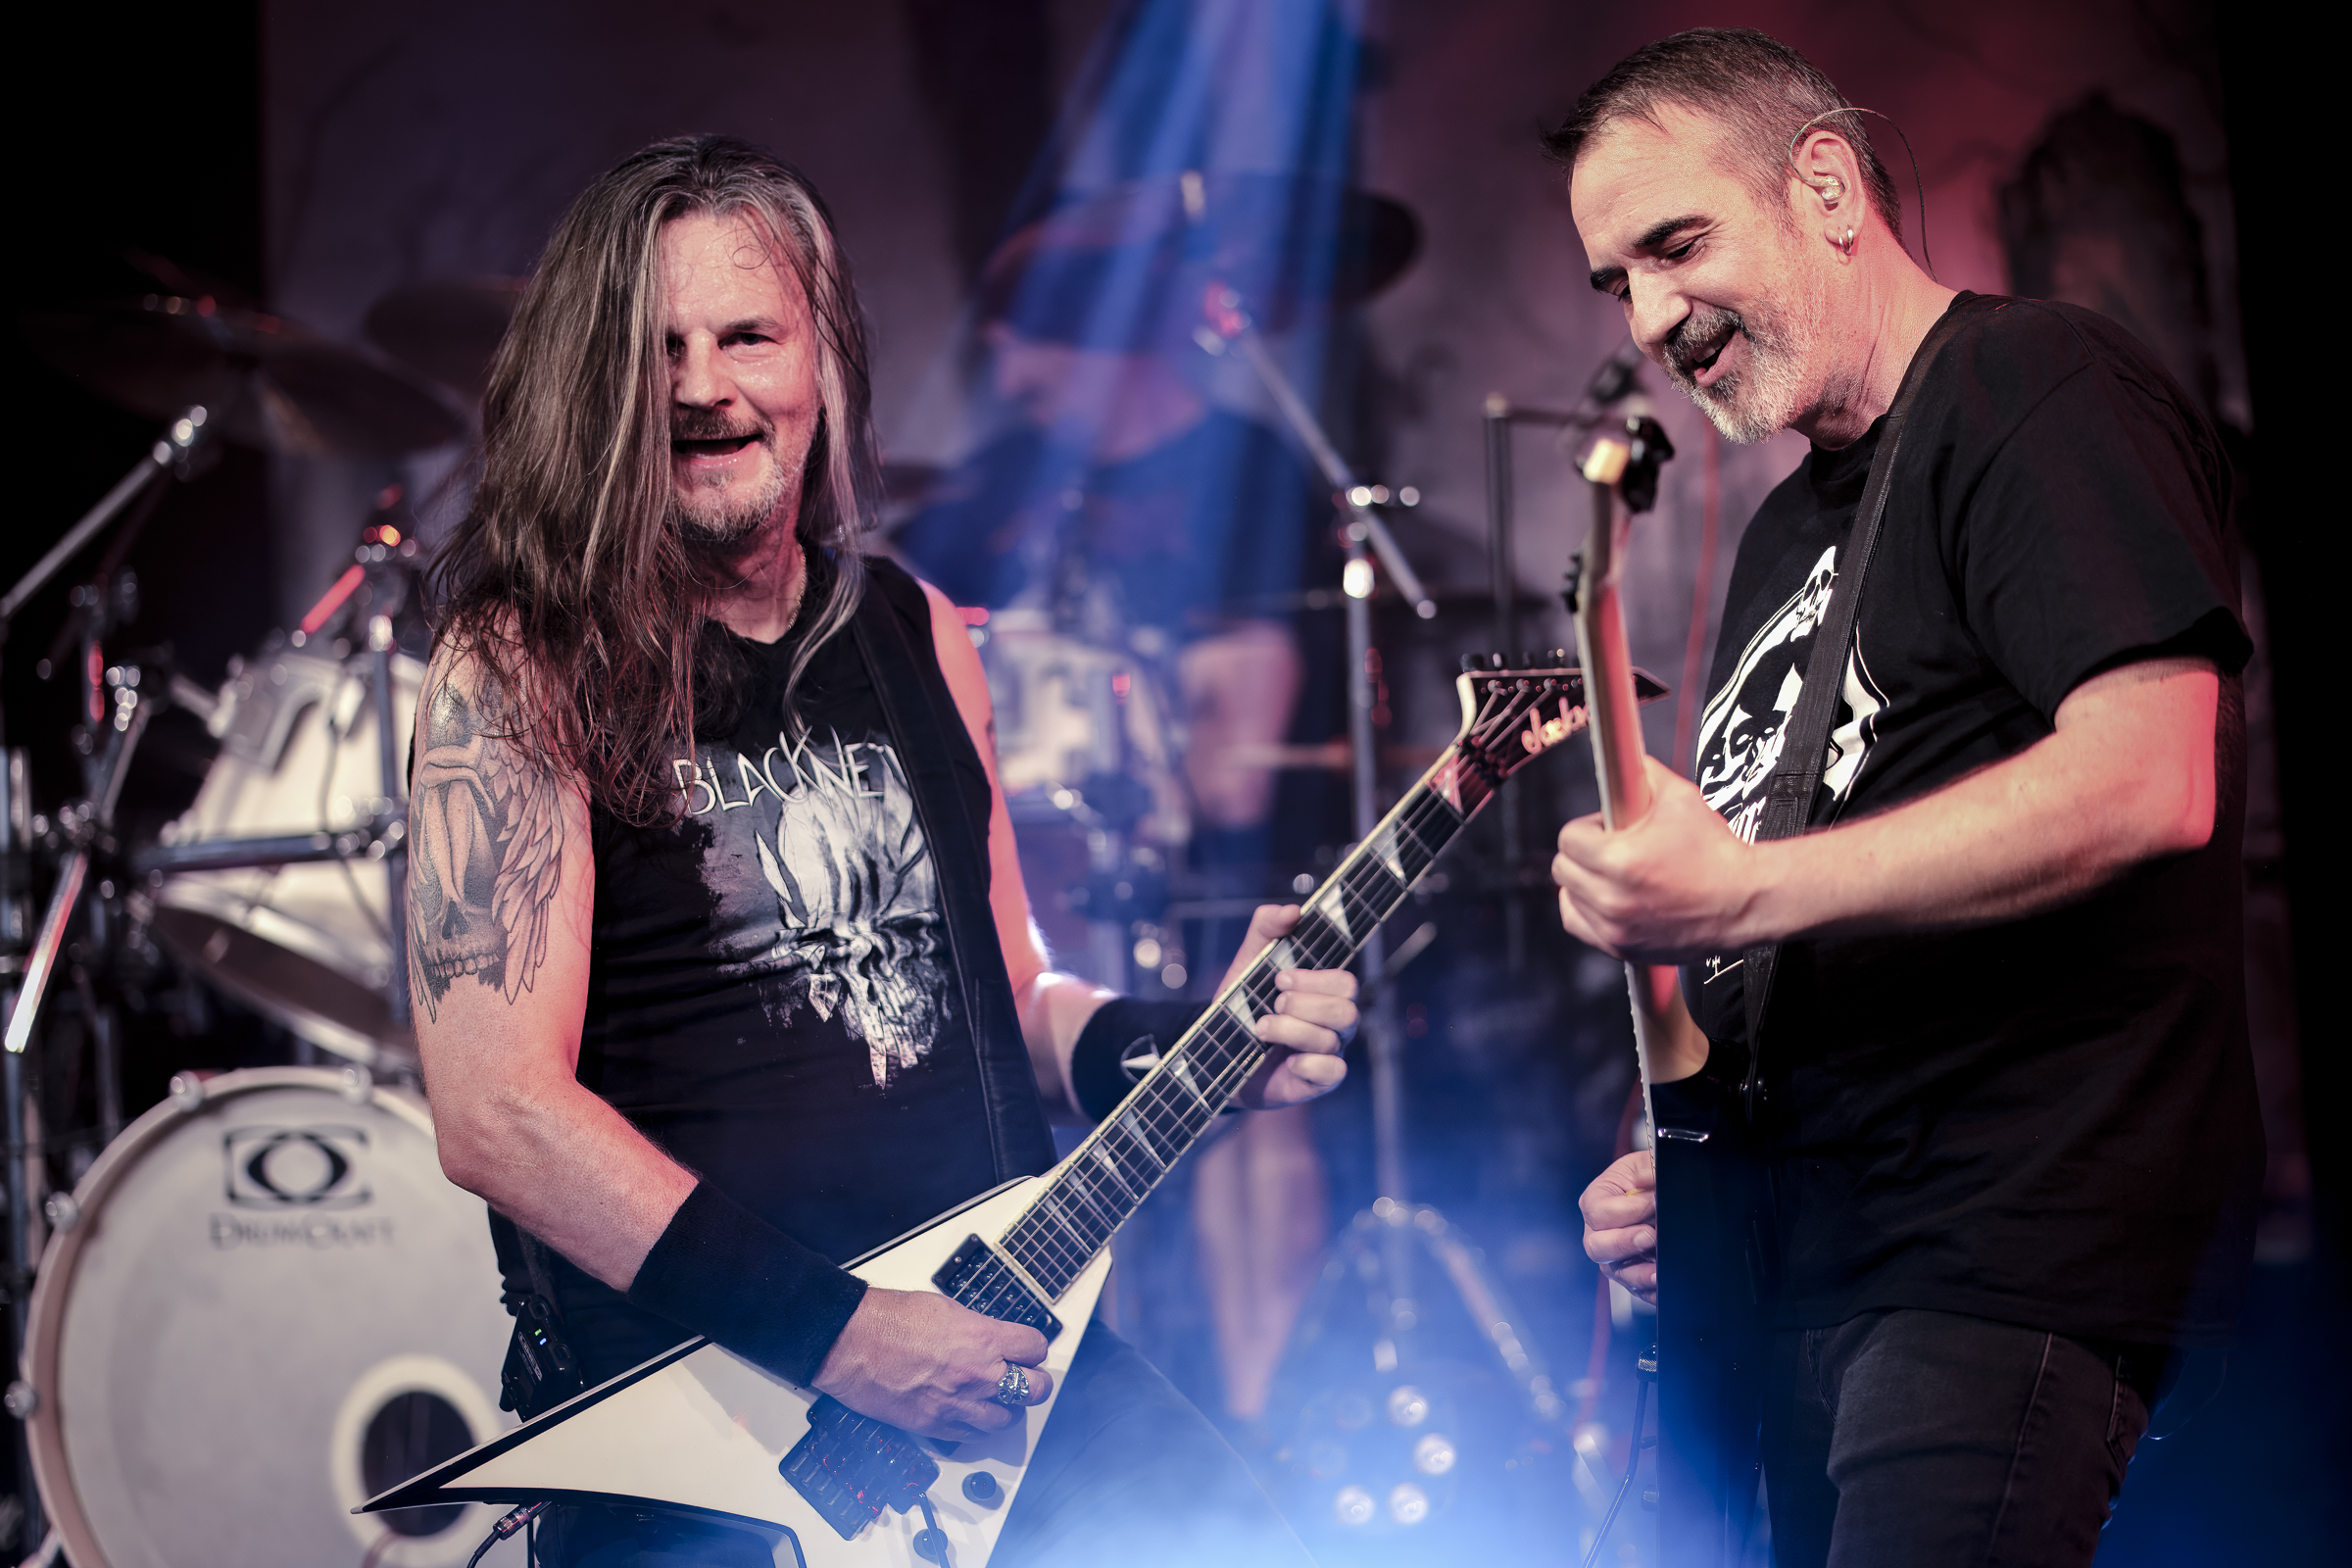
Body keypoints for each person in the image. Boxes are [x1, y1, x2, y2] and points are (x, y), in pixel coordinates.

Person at [408, 135, 1358, 1568]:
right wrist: (845, 1338)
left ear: (824, 365)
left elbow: (1013, 1001)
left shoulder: (915, 634)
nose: (704, 386)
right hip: (723, 1419)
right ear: (591, 382)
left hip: (991, 1351)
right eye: (657, 348)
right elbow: (497, 1113)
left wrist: (1199, 1042)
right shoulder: (520, 667)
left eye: (749, 336)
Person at [1543, 30, 2258, 1568]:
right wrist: (1685, 1173)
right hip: (1812, 1263)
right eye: (1617, 285)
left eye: (1677, 246)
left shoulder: (2032, 384)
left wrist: (1736, 889)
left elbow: (2154, 773)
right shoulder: (1782, 533)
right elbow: (1778, 916)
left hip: (1996, 1250)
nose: (1653, 318)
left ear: (1824, 187)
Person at [896, 226, 1339, 1426]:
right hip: (1024, 857)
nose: (1008, 372)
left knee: (1253, 1106)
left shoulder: (1245, 471)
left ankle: (1258, 1424)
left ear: (1108, 336)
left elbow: (1244, 743)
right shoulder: (995, 489)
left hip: (1209, 862)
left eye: (1031, 342)